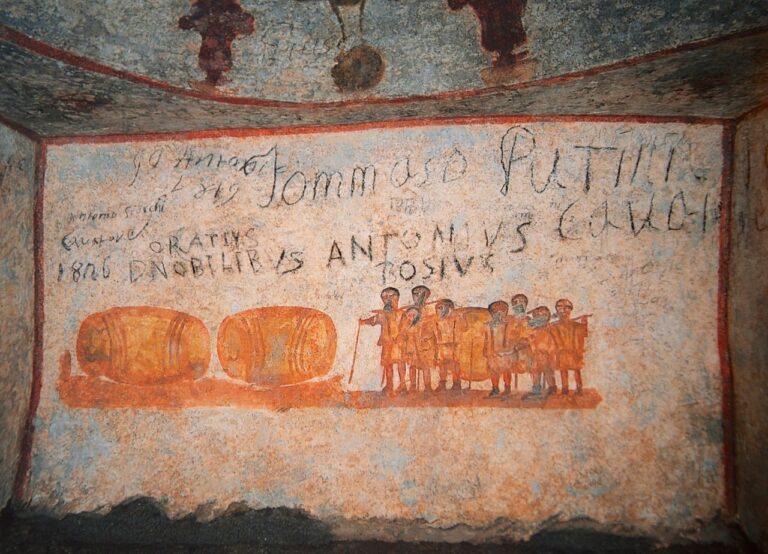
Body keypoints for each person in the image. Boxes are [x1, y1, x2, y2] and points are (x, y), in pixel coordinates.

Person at [359, 287, 407, 394]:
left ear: (397, 298)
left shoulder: (401, 314)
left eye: (391, 296)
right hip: (386, 342)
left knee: (400, 362)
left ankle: (403, 384)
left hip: (398, 343)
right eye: (385, 297)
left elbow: (405, 327)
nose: (388, 299)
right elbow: (373, 320)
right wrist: (363, 321)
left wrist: (402, 336)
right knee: (387, 364)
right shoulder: (382, 314)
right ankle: (389, 385)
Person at [550, 298, 589, 394]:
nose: (563, 310)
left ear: (570, 309)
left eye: (566, 307)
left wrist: (584, 323)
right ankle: (565, 388)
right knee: (563, 369)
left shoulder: (576, 325)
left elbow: (584, 333)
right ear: (556, 309)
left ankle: (579, 388)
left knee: (576, 369)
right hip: (561, 351)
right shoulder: (554, 325)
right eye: (560, 307)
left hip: (574, 351)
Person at [431, 299, 468, 391]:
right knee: (442, 366)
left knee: (455, 365)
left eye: (441, 308)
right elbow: (434, 333)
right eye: (438, 308)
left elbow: (464, 328)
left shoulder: (456, 318)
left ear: (448, 308)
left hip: (454, 346)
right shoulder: (436, 320)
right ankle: (442, 384)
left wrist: (462, 317)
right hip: (441, 346)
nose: (439, 310)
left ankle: (456, 384)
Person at [482, 301, 515, 397]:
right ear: (492, 313)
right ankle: (495, 388)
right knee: (493, 371)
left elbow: (511, 339)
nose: (499, 314)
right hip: (492, 353)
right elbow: (486, 339)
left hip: (505, 353)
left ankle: (507, 388)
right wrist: (485, 350)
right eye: (496, 311)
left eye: (502, 311)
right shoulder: (488, 325)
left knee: (506, 371)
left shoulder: (508, 325)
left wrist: (507, 351)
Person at [525, 305, 557, 398]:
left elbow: (552, 343)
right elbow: (530, 341)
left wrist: (548, 351)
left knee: (548, 372)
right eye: (538, 316)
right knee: (535, 371)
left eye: (544, 315)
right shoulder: (534, 331)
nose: (541, 317)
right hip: (536, 355)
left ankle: (552, 388)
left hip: (546, 355)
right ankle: (536, 389)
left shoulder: (549, 329)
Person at [402, 307, 436, 393]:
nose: (410, 317)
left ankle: (427, 387)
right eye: (408, 315)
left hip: (422, 350)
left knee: (425, 367)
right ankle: (413, 386)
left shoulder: (423, 324)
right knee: (412, 367)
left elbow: (430, 334)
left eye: (412, 315)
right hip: (412, 350)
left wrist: (424, 337)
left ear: (416, 315)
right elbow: (404, 336)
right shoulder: (407, 326)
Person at [508, 293, 532, 389]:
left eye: (521, 302)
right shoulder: (510, 320)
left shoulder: (528, 320)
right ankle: (507, 387)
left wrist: (524, 342)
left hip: (525, 349)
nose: (518, 305)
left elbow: (532, 335)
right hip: (512, 348)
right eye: (516, 303)